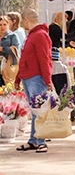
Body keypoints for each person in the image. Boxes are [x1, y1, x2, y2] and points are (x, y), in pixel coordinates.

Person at [15, 9, 52, 153]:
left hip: (36, 77)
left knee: (39, 110)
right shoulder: (31, 35)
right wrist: (18, 78)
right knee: (35, 111)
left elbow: (44, 59)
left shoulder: (40, 35)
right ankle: (34, 140)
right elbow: (24, 59)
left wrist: (47, 79)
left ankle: (41, 140)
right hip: (28, 77)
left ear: (26, 20)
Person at [0, 15, 21, 85]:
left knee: (8, 89)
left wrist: (2, 49)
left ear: (8, 25)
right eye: (0, 25)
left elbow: (15, 50)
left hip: (8, 66)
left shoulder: (13, 36)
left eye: (4, 24)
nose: (2, 27)